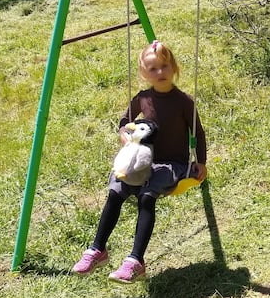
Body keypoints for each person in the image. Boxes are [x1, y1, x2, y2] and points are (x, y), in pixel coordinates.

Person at [71, 40, 207, 283]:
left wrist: (202, 162)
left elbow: (199, 133)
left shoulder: (183, 101)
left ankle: (135, 261)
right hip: (142, 160)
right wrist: (125, 135)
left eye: (165, 66)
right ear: (144, 73)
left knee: (146, 196)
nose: (160, 72)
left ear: (174, 67)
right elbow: (124, 122)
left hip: (171, 165)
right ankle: (97, 250)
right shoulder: (143, 98)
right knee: (116, 190)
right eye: (153, 68)